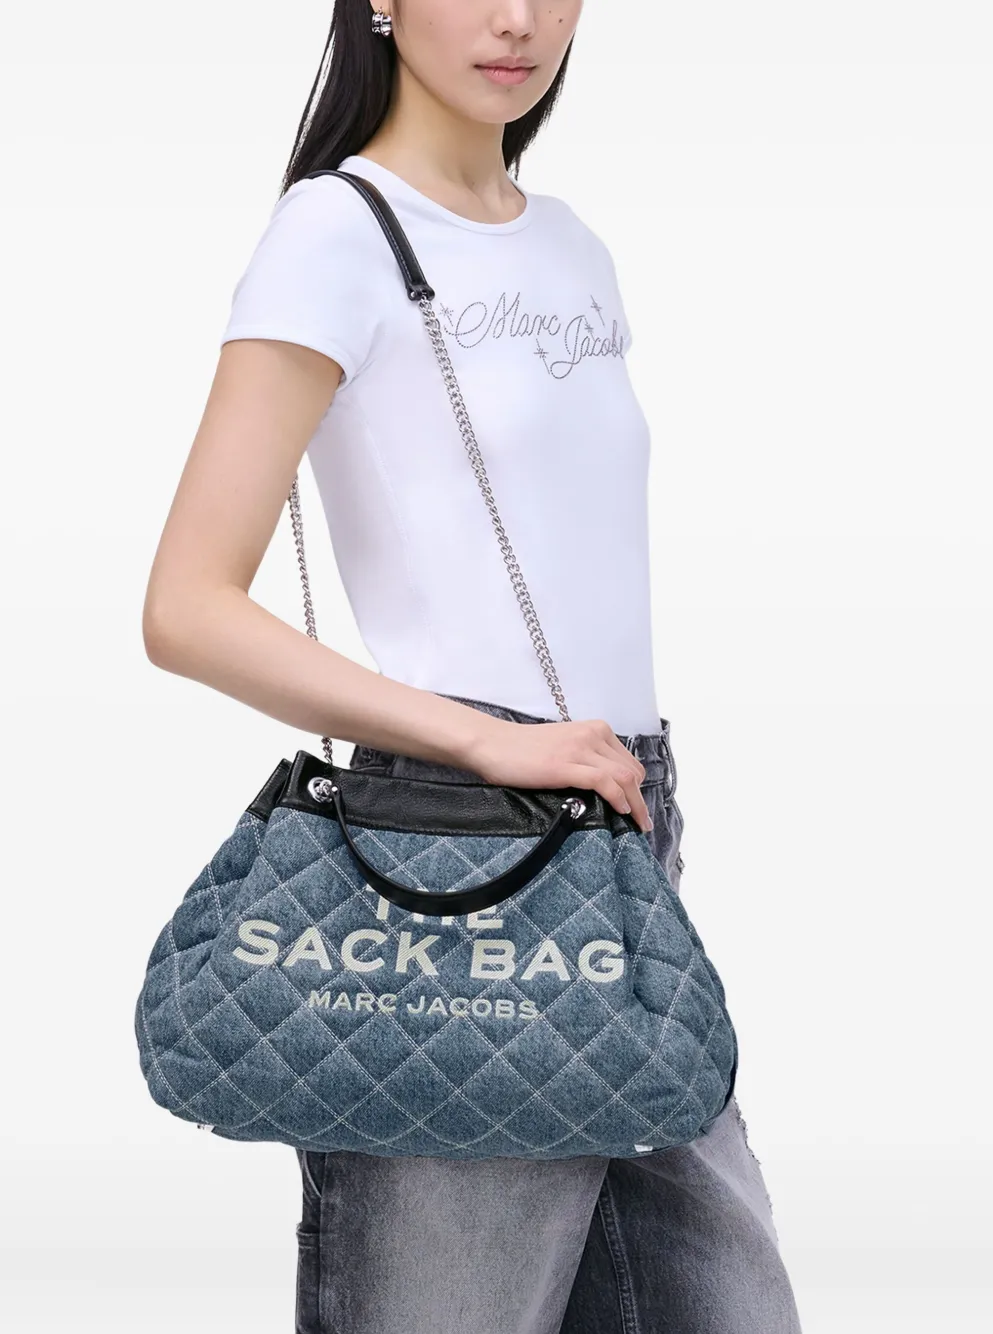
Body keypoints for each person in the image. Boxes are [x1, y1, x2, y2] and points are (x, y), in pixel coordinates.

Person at [142, 2, 802, 1330]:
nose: (520, 19)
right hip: (454, 850)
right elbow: (187, 607)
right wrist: (486, 738)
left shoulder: (573, 246)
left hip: (621, 832)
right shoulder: (336, 232)